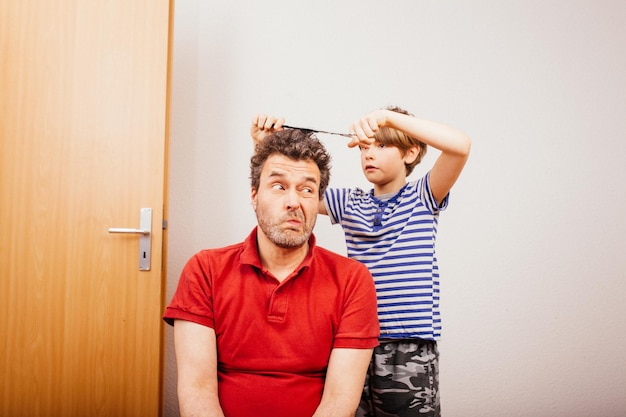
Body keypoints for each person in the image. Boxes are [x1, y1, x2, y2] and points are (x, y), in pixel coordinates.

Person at [251, 107, 471, 417]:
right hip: (354, 343)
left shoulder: (424, 195)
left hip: (408, 345)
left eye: (381, 146)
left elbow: (460, 146)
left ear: (410, 153)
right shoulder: (350, 202)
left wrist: (388, 118)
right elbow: (293, 194)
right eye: (365, 147)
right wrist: (263, 146)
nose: (369, 154)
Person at [163, 128, 380, 417]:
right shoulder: (204, 269)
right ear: (254, 196)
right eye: (279, 186)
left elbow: (340, 400)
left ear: (317, 202)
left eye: (307, 190)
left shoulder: (352, 279)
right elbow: (197, 389)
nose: (294, 202)